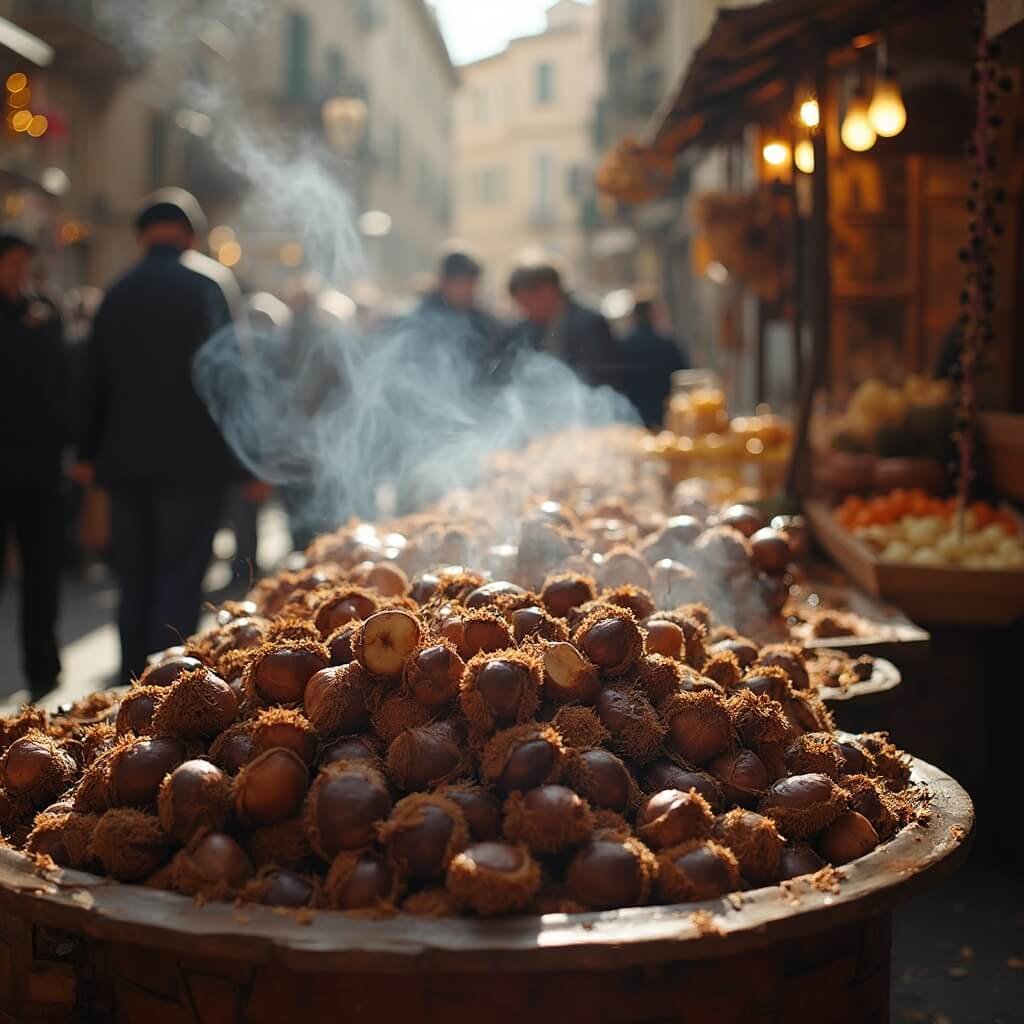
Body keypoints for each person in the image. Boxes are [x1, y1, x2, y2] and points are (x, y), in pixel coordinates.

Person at [73, 189, 254, 683]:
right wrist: (247, 462)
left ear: (140, 237)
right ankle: (165, 689)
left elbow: (93, 381)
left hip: (124, 463)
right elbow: (229, 380)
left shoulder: (117, 291)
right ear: (192, 236)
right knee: (179, 574)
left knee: (134, 577)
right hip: (193, 465)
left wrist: (87, 454)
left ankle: (129, 681)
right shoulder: (209, 285)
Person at [0, 234, 69, 701]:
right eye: (13, 263)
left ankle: (43, 667)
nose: (20, 271)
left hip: (40, 464)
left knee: (42, 569)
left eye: (26, 262)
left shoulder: (45, 311)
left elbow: (63, 381)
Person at [504, 259, 623, 391]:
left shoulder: (588, 324)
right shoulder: (529, 328)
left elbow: (600, 378)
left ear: (546, 291)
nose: (524, 311)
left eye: (526, 303)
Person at [620, 289, 689, 428]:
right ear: (653, 314)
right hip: (664, 419)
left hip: (633, 421)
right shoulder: (667, 345)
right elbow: (682, 379)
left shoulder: (622, 347)